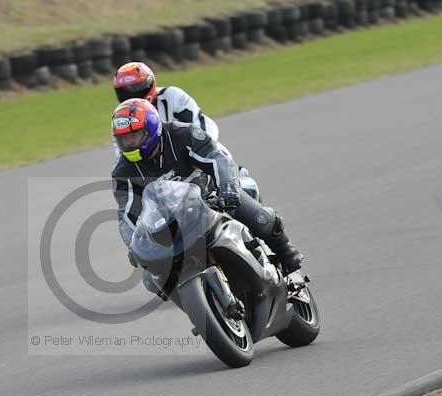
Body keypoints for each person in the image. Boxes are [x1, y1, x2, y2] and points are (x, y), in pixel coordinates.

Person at [111, 98, 303, 295]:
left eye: (134, 136)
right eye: (124, 139)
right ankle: (200, 305)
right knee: (151, 280)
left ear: (150, 128)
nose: (129, 143)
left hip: (213, 198)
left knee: (262, 219)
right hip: (173, 223)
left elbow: (217, 157)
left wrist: (228, 189)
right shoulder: (122, 172)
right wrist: (135, 245)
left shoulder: (182, 134)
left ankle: (288, 258)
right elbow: (127, 215)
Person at [113, 61, 259, 200]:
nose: (131, 96)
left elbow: (199, 124)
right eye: (124, 93)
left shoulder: (172, 95)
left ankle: (235, 179)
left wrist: (199, 152)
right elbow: (122, 159)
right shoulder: (123, 120)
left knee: (217, 158)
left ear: (150, 85)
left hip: (190, 148)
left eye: (137, 89)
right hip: (160, 165)